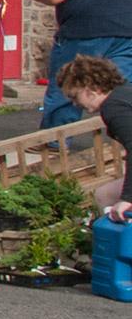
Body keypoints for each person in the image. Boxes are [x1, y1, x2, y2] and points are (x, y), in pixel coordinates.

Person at [28, 0, 132, 128]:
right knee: (121, 87)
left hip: (83, 32)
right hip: (124, 31)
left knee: (68, 85)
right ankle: (124, 133)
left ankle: (55, 141)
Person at [53, 55, 132, 219]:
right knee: (104, 195)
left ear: (91, 89)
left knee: (107, 197)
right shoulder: (123, 93)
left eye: (75, 96)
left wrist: (127, 198)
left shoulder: (114, 107)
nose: (75, 104)